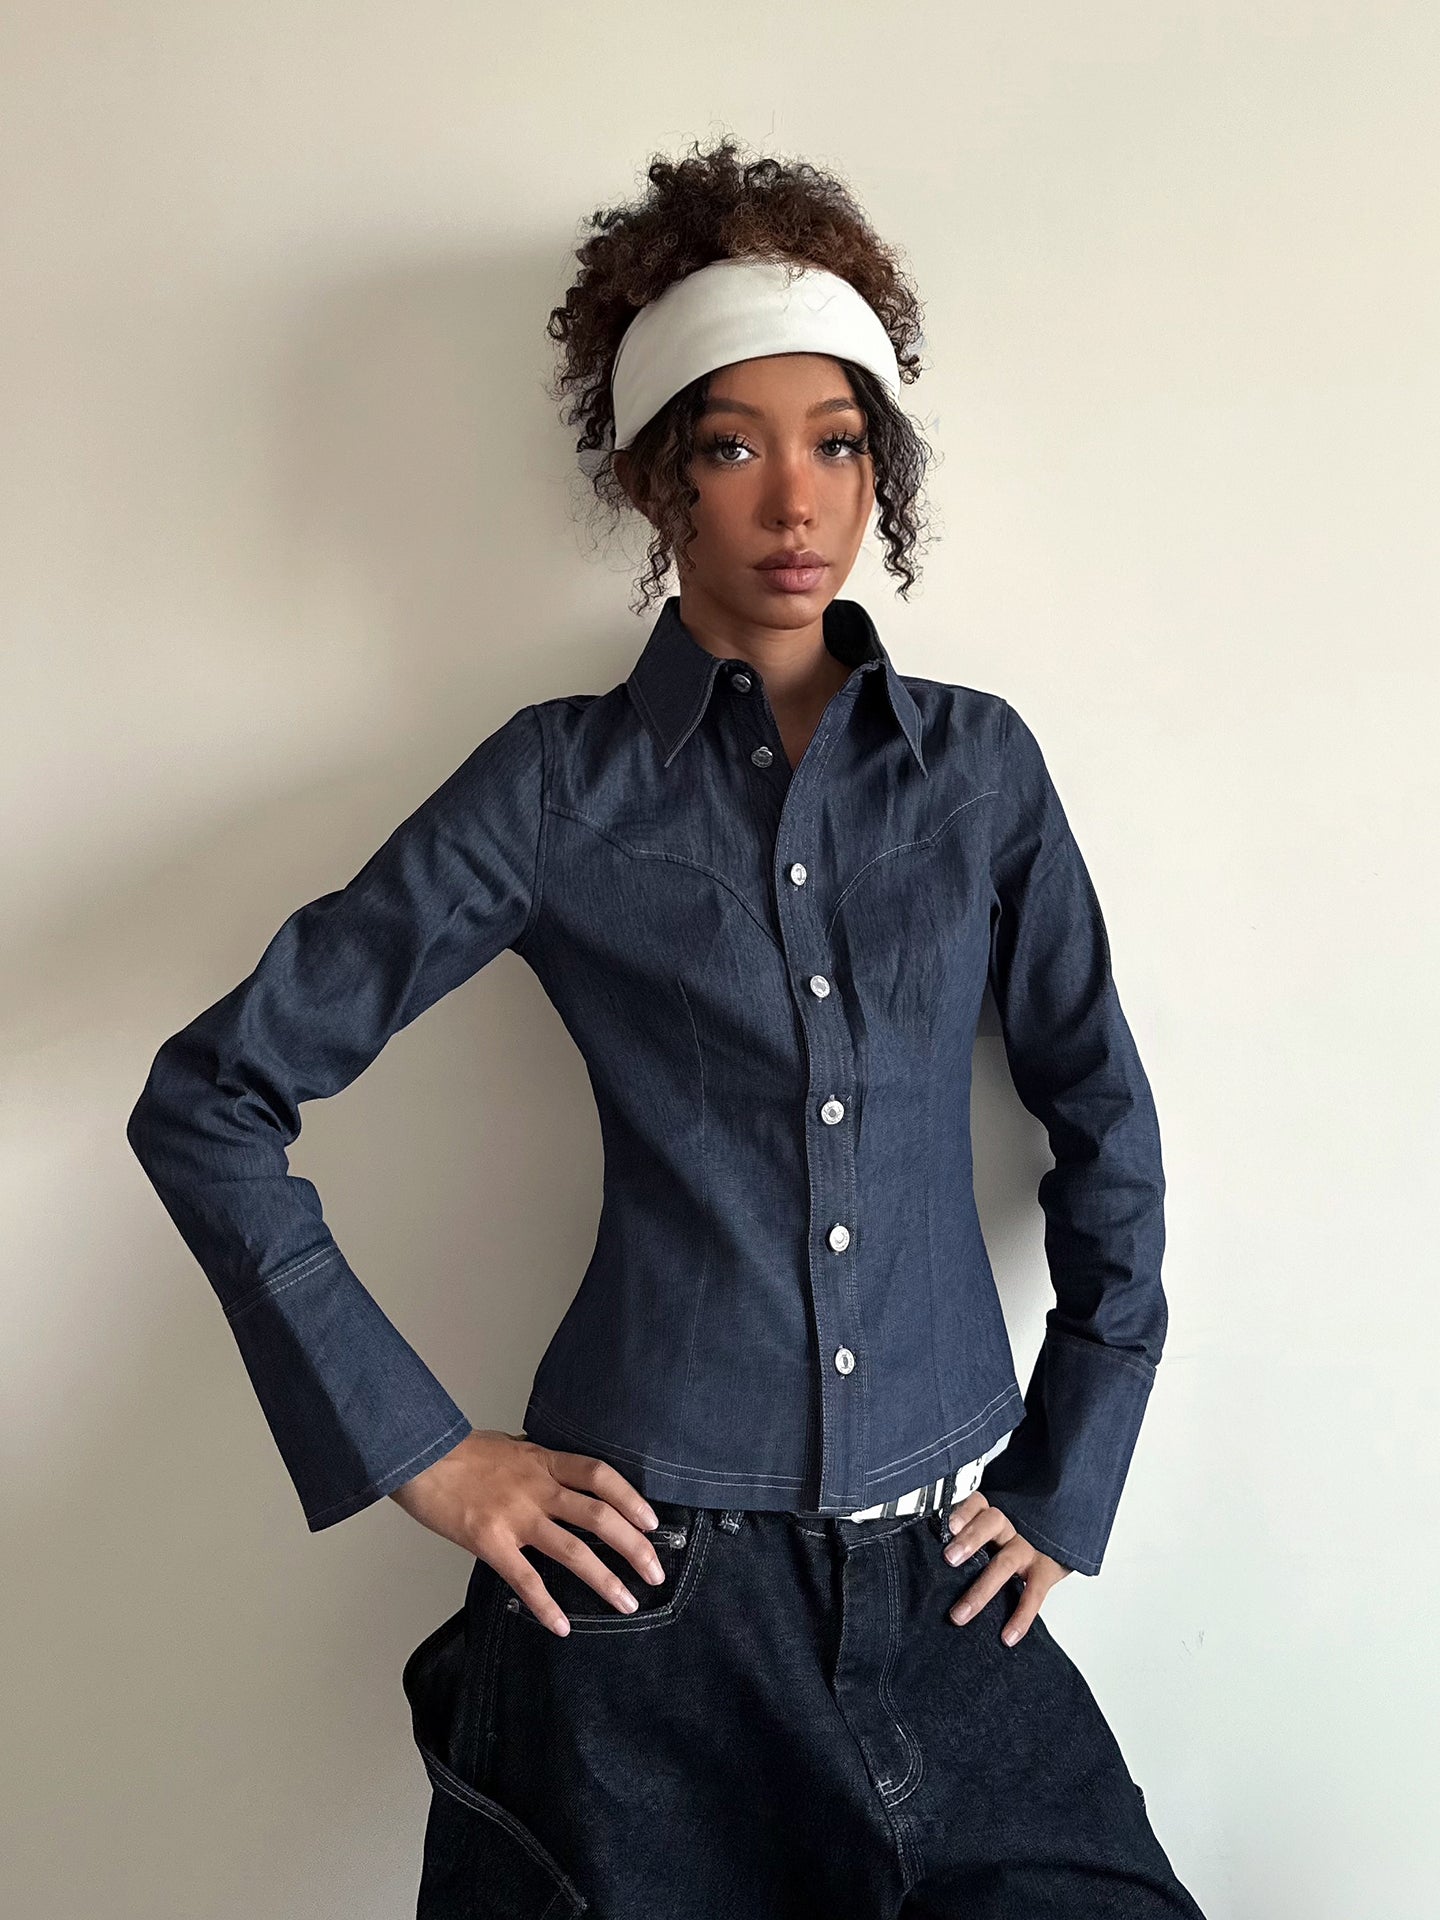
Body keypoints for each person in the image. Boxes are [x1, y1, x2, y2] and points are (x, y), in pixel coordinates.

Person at [127, 137, 1207, 1918]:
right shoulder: (560, 788)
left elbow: (1105, 1118)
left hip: (949, 1581)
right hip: (644, 1606)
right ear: (657, 482)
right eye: (732, 447)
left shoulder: (981, 774)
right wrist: (428, 1455)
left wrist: (1072, 1462)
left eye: (837, 444)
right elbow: (213, 1100)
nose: (796, 501)